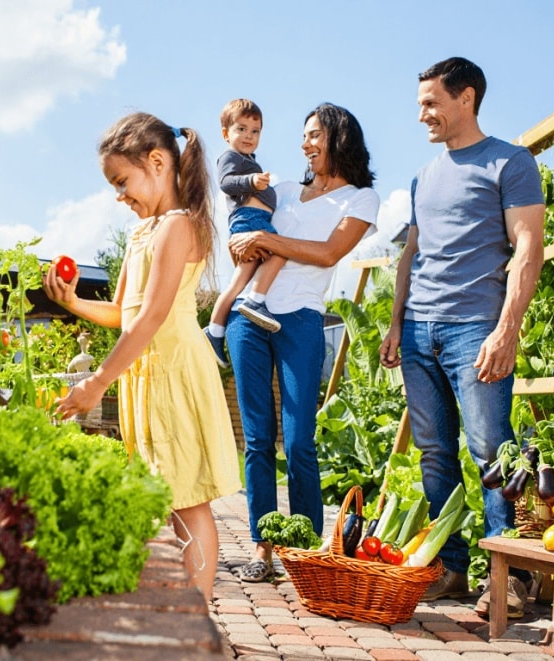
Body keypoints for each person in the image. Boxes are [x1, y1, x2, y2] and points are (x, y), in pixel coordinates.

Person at [41, 112, 242, 602]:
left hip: (173, 372)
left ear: (157, 162)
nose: (119, 195)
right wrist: (73, 303)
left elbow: (151, 318)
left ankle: (197, 620)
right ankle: (186, 611)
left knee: (190, 503)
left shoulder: (179, 227)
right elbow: (122, 313)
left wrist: (98, 381)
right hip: (148, 375)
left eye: (122, 181)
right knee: (172, 499)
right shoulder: (143, 233)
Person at [379, 57, 545, 619]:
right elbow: (411, 255)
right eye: (421, 103)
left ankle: (512, 575)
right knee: (434, 456)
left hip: (475, 327)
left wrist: (507, 328)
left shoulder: (510, 162)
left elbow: (528, 249)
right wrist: (397, 321)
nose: (423, 113)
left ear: (465, 98)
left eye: (432, 103)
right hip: (420, 330)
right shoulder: (423, 176)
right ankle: (451, 568)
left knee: (491, 452)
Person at [226, 103, 380, 583]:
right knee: (256, 440)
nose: (305, 144)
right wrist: (244, 242)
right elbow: (241, 233)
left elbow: (329, 252)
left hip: (302, 321)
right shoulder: (282, 190)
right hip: (249, 318)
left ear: (338, 138)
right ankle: (262, 546)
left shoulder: (360, 199)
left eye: (314, 135)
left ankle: (307, 548)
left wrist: (268, 242)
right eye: (304, 136)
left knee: (298, 440)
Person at [203, 99, 283, 368]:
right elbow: (226, 183)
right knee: (280, 252)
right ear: (226, 133)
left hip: (255, 220)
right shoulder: (230, 157)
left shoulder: (248, 160)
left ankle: (214, 331)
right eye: (242, 129)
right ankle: (255, 300)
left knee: (239, 280)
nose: (249, 136)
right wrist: (251, 181)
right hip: (250, 221)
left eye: (255, 131)